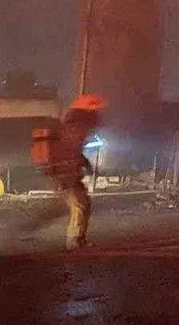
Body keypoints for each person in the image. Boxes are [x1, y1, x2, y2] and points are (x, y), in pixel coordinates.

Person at [21, 94, 107, 250]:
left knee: (81, 204)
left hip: (66, 172)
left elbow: (73, 150)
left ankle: (77, 239)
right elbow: (70, 150)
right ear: (88, 113)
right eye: (96, 112)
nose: (99, 116)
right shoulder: (76, 127)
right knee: (79, 205)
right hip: (64, 173)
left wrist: (84, 164)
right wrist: (79, 165)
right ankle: (74, 240)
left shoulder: (73, 126)